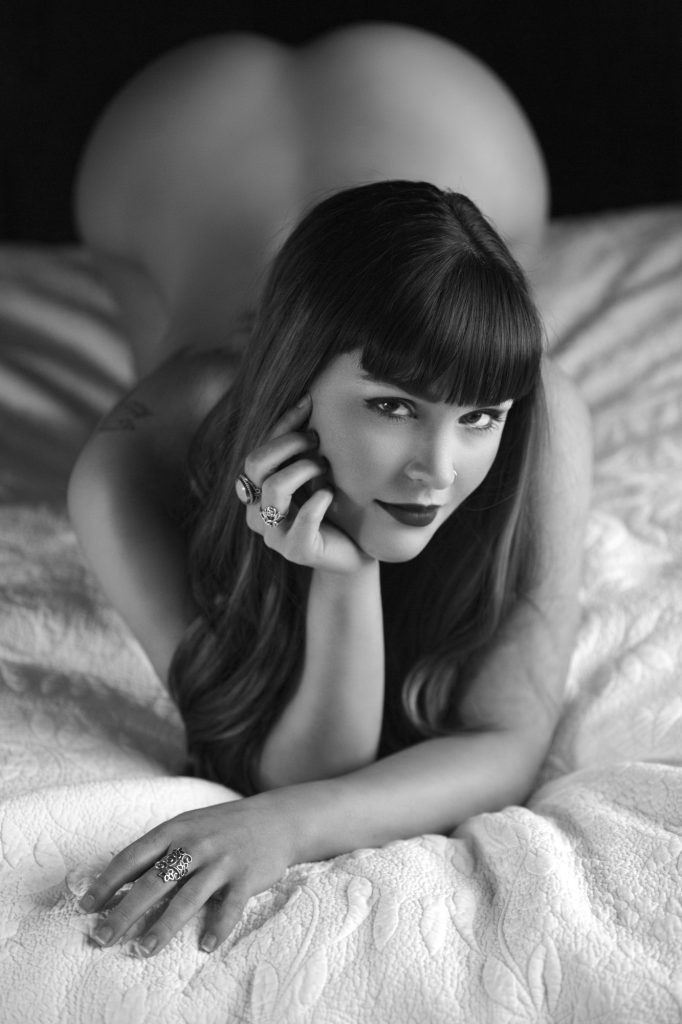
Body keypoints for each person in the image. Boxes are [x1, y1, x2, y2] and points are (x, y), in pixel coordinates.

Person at [67, 24, 591, 958]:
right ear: (297, 380)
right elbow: (281, 756)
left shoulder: (539, 406)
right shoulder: (131, 464)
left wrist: (290, 823)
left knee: (465, 302)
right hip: (178, 141)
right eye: (393, 405)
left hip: (449, 115)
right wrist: (339, 575)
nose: (439, 469)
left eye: (477, 416)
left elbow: (508, 743)